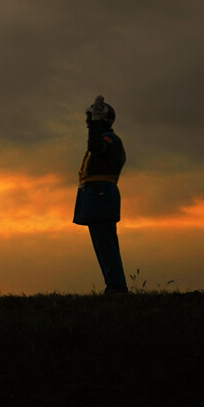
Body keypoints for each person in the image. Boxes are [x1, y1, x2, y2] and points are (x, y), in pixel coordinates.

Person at [73, 95, 128, 293]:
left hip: (101, 194)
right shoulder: (107, 139)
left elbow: (95, 147)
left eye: (92, 118)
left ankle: (117, 286)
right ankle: (113, 285)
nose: (89, 121)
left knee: (106, 243)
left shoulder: (109, 140)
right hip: (96, 194)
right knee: (101, 244)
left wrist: (96, 124)